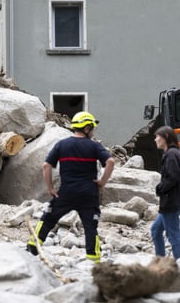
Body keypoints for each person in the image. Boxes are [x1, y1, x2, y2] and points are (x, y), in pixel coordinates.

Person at [27, 111, 115, 263]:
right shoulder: (94, 146)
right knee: (90, 227)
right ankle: (94, 260)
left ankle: (32, 249)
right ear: (86, 129)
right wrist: (102, 182)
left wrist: (50, 188)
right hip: (89, 194)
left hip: (66, 193)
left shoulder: (62, 144)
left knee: (47, 219)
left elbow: (46, 166)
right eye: (92, 128)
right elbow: (111, 162)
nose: (94, 131)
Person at [151, 126, 180, 259]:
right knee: (156, 230)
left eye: (157, 137)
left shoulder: (171, 155)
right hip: (173, 202)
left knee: (173, 235)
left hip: (171, 202)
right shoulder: (175, 154)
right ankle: (160, 261)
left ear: (165, 137)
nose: (155, 140)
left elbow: (172, 178)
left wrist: (159, 188)